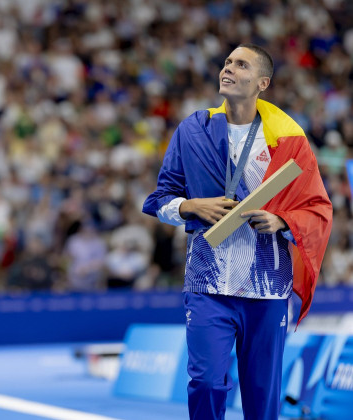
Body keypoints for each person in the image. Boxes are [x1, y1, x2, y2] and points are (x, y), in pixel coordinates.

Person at [142, 44, 333, 420]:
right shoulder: (193, 130)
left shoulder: (289, 140)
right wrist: (190, 206)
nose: (228, 68)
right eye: (227, 62)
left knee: (263, 397)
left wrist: (283, 221)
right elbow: (159, 198)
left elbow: (317, 209)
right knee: (207, 384)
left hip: (267, 288)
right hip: (208, 284)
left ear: (262, 82)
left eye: (241, 64)